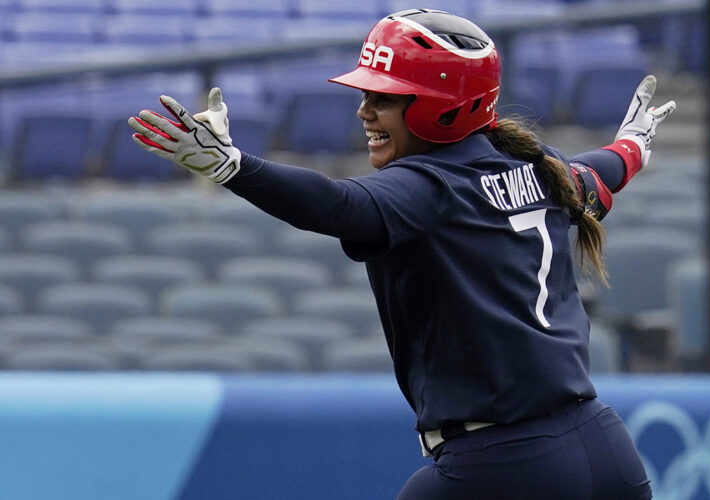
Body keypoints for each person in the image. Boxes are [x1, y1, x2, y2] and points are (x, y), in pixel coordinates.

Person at [129, 8, 674, 499]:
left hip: (501, 467)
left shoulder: (428, 187)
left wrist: (235, 168)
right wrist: (630, 147)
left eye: (385, 96)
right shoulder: (540, 168)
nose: (364, 111)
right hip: (604, 451)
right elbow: (595, 174)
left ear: (442, 107)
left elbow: (335, 204)